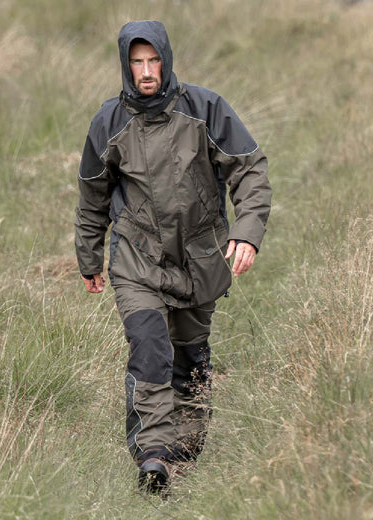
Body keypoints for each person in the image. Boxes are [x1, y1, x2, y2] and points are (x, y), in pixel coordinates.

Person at [75, 20, 271, 493]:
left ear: (166, 59)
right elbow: (92, 195)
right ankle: (153, 457)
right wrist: (89, 257)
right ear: (125, 65)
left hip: (200, 258)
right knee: (150, 351)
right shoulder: (108, 122)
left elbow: (250, 170)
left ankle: (184, 453)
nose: (146, 71)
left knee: (190, 360)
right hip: (136, 261)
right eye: (136, 62)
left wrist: (247, 232)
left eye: (153, 60)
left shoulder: (205, 108)